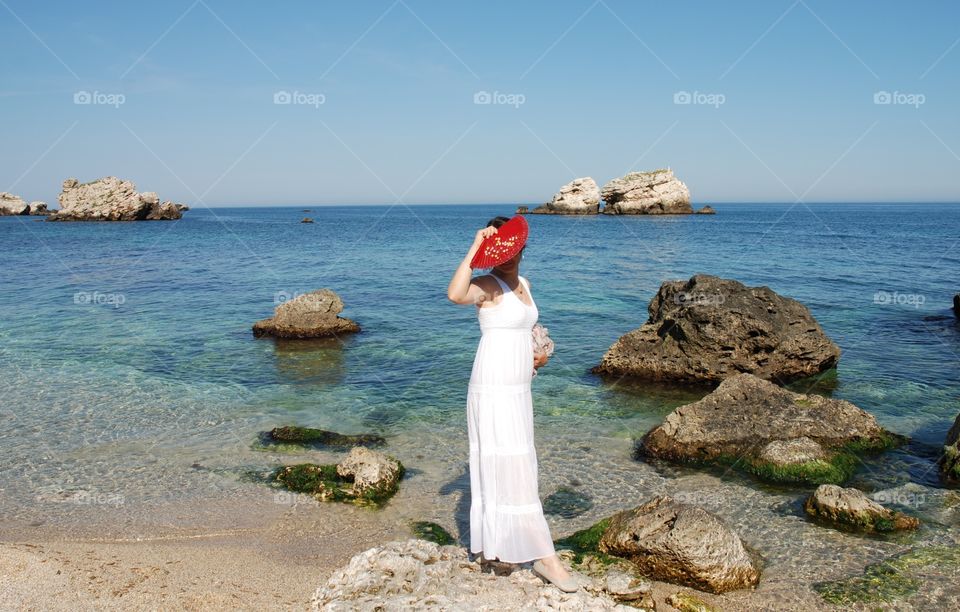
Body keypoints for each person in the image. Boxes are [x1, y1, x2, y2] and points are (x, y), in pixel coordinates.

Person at [446, 215, 579, 592]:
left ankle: (501, 546)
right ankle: (545, 557)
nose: (501, 256)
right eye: (494, 251)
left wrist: (537, 354)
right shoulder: (486, 285)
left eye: (506, 248)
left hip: (519, 386)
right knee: (508, 461)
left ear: (520, 247)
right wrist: (475, 248)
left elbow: (524, 330)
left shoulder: (525, 285)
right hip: (492, 386)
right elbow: (455, 295)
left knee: (517, 460)